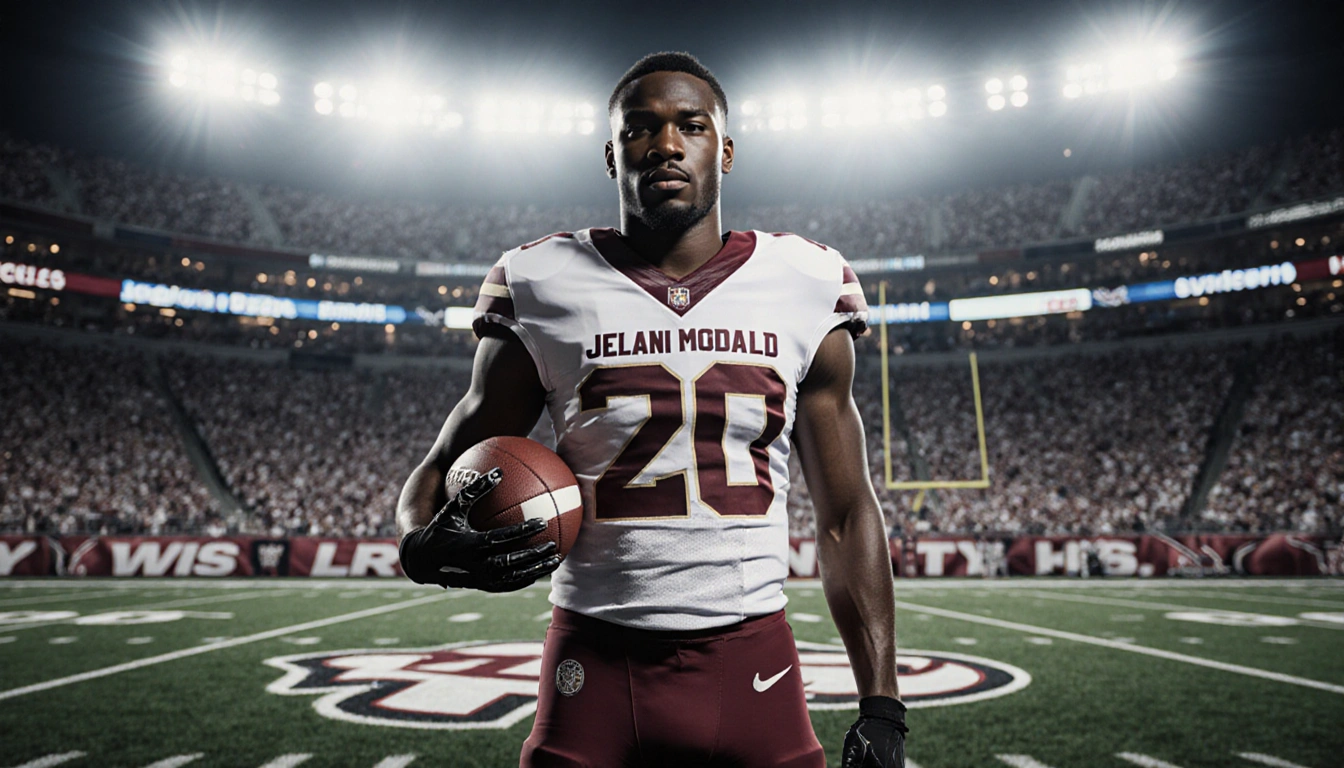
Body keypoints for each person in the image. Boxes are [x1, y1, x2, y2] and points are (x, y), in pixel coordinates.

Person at [396, 51, 905, 768]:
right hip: (592, 661)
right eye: (640, 128)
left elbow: (847, 512)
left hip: (754, 657)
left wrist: (882, 705)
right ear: (612, 156)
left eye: (690, 126)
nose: (665, 144)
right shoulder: (541, 280)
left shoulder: (806, 280)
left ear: (724, 149)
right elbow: (445, 463)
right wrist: (419, 542)